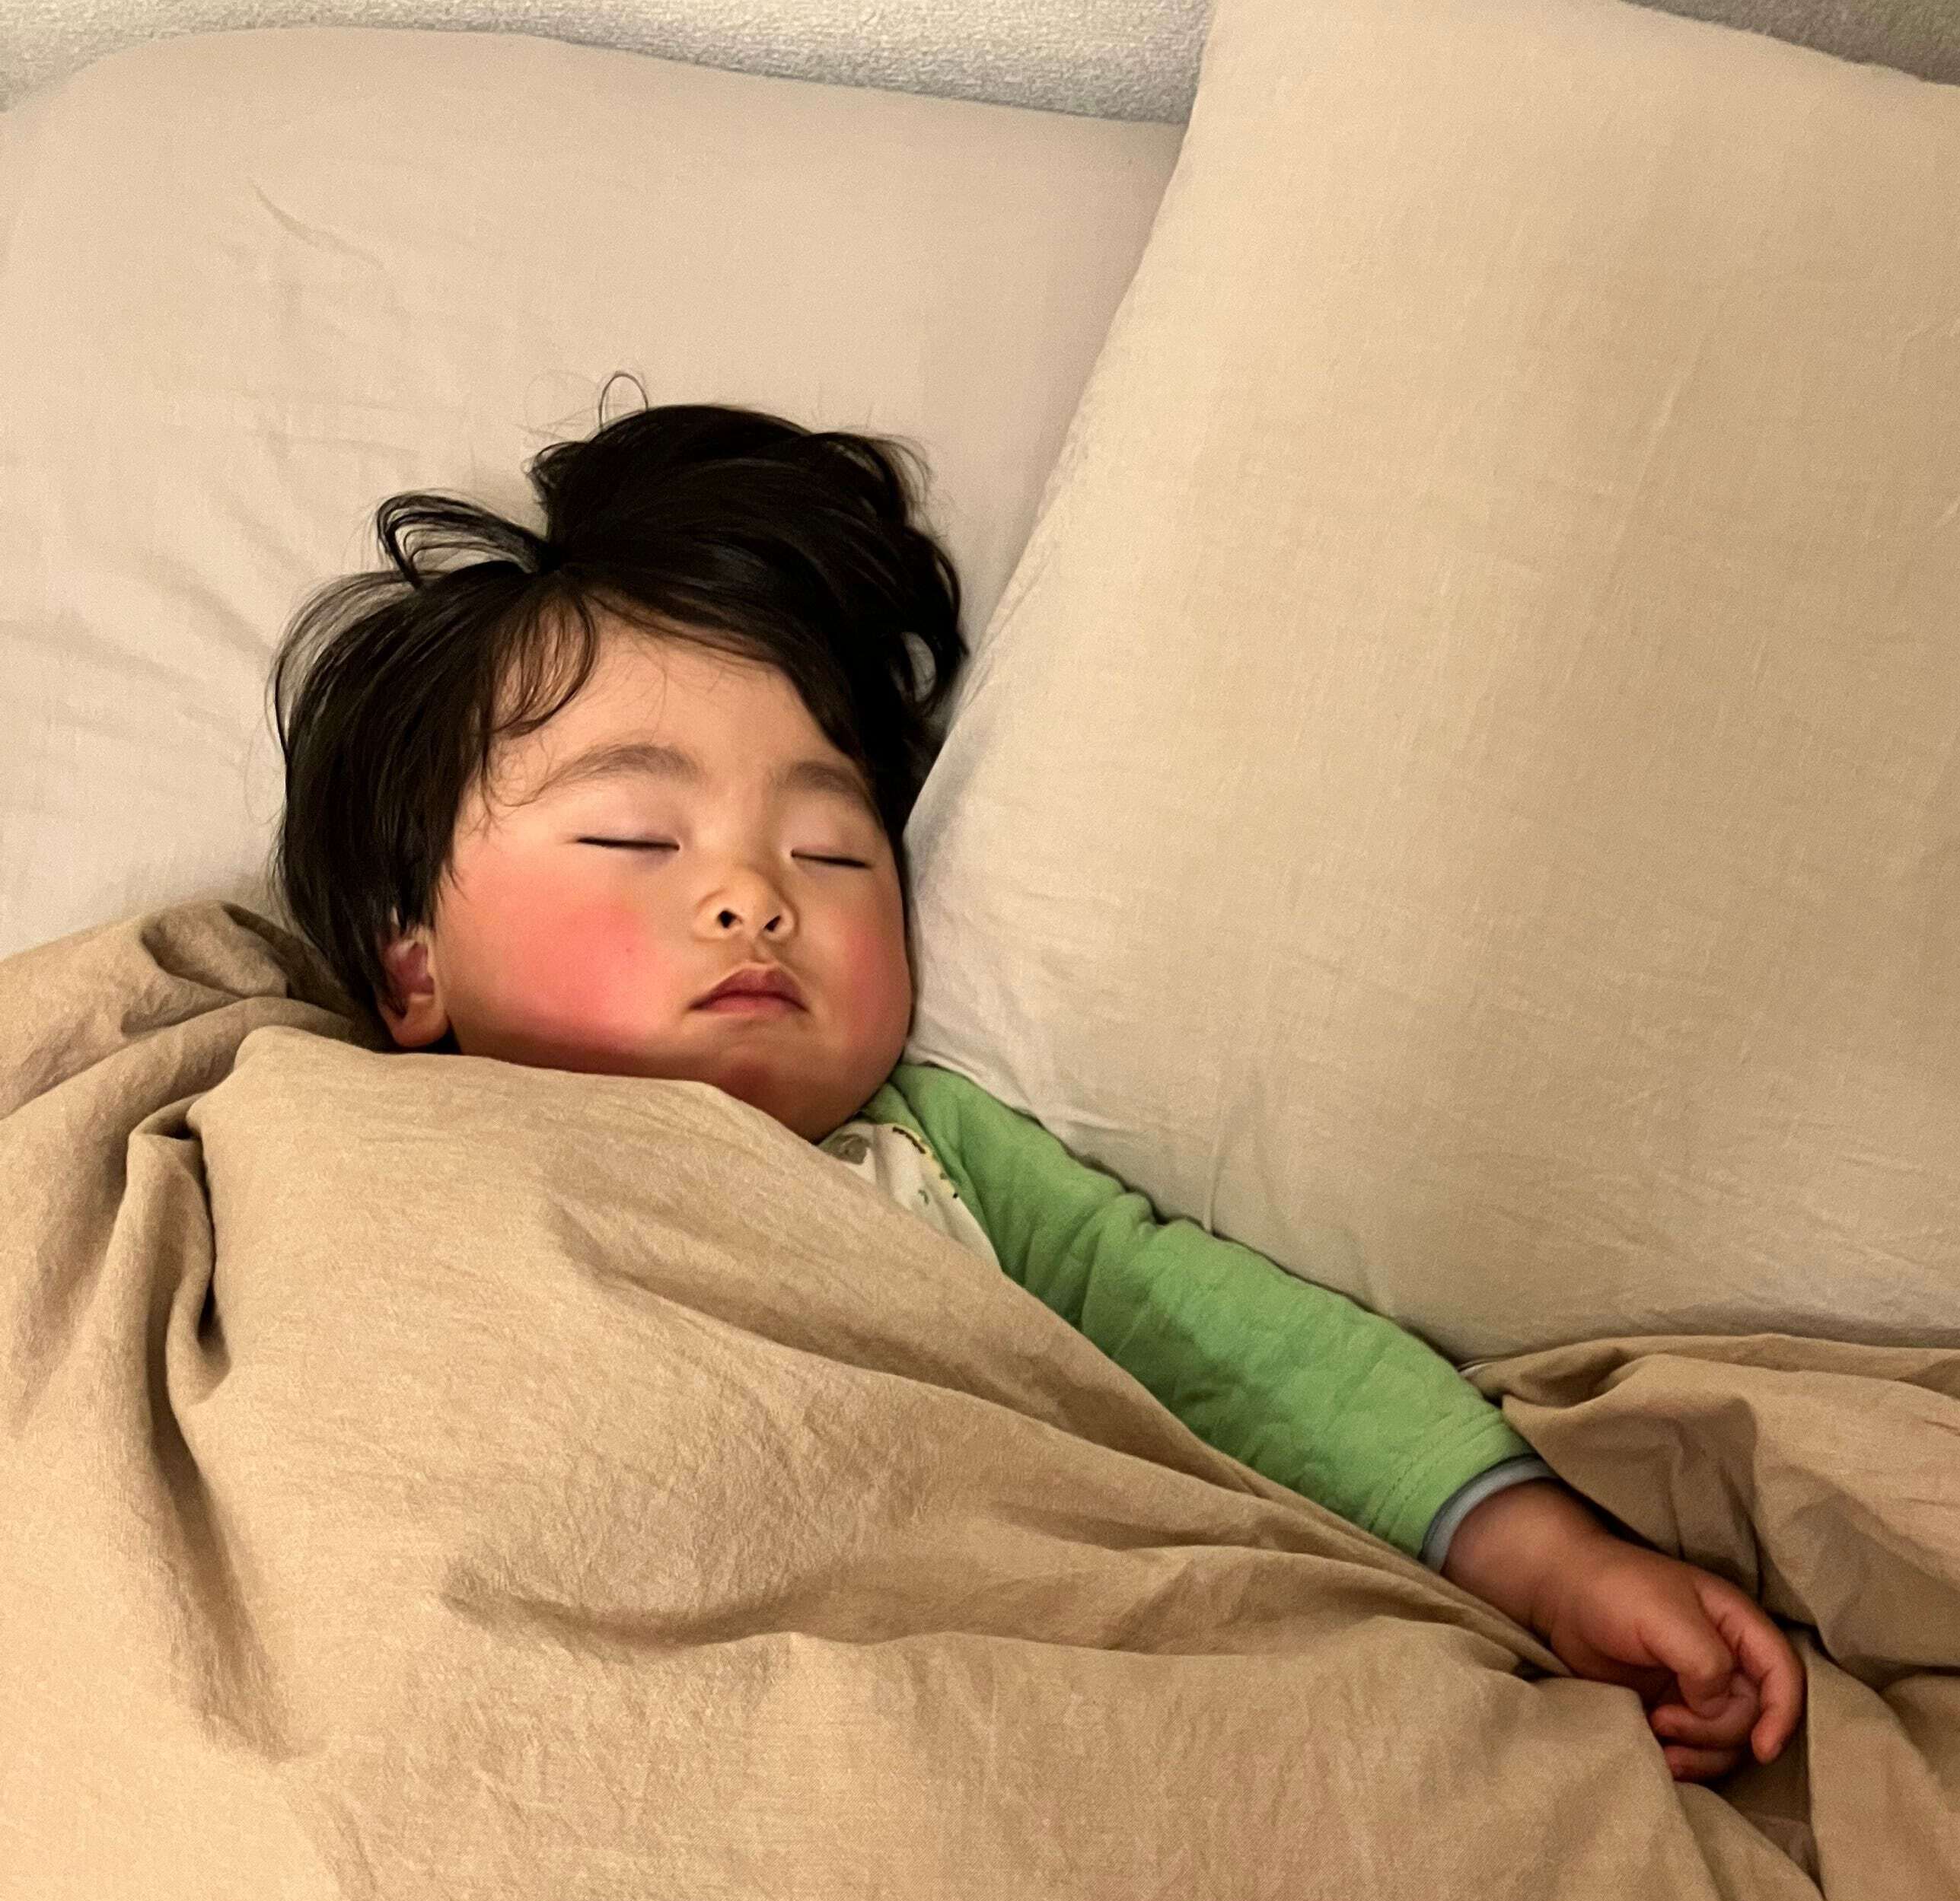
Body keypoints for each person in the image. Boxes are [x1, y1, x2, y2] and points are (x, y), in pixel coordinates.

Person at [267, 384, 1805, 1782]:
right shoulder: (343, 1133)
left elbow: (1241, 1356)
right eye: (634, 838)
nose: (753, 896)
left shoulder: (935, 1159)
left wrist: (1550, 1558)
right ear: (411, 967)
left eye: (830, 850)